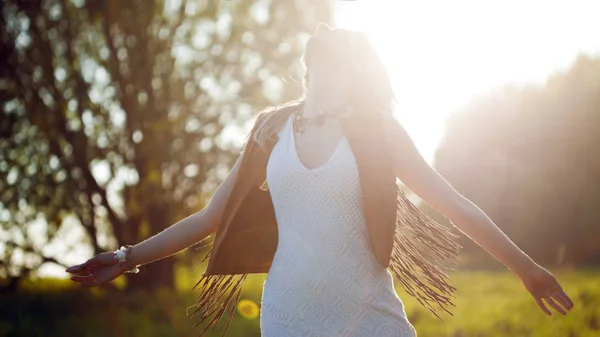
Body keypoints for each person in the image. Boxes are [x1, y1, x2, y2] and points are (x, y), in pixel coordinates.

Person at [66, 23, 574, 336]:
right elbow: (208, 218)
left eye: (339, 42)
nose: (325, 36)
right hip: (290, 317)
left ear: (354, 68)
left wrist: (527, 268)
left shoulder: (378, 134)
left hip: (369, 316)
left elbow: (455, 205)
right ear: (308, 65)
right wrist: (127, 257)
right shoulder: (271, 130)